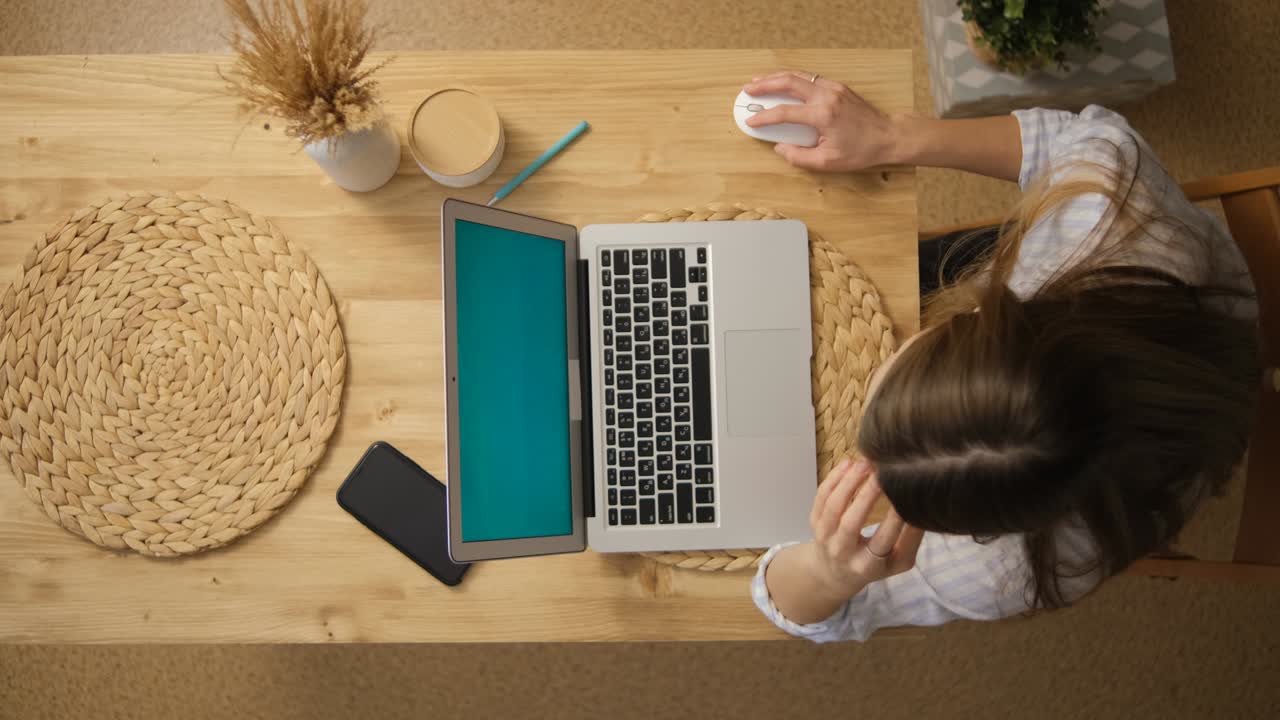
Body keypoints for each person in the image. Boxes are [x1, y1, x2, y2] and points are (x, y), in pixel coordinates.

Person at [741, 71, 1260, 642]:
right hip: (1189, 326)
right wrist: (893, 137)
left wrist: (827, 571)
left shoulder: (1001, 571)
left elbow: (809, 611)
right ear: (976, 318)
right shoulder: (1107, 210)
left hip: (1189, 388)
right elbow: (1070, 140)